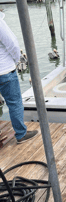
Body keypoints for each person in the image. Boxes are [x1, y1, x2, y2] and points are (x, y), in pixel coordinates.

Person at [0, 12, 38, 144]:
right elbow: (13, 44)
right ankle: (21, 134)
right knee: (14, 103)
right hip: (4, 70)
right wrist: (17, 60)